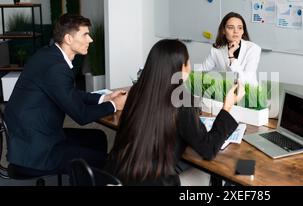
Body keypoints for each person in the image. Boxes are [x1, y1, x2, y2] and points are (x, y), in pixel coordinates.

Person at [105, 39, 245, 186]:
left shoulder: (136, 91)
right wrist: (227, 107)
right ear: (181, 68)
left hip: (117, 176)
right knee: (208, 173)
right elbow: (208, 148)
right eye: (188, 63)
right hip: (154, 183)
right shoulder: (180, 99)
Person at [3, 14, 127, 176]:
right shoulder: (56, 68)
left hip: (32, 136)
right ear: (68, 38)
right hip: (37, 151)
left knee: (97, 137)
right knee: (105, 161)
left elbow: (69, 93)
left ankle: (88, 179)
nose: (90, 40)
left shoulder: (49, 55)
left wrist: (105, 98)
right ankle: (93, 176)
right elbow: (81, 115)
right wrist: (114, 105)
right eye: (85, 34)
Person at [195, 12, 261, 85]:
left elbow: (246, 80)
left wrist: (231, 56)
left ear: (243, 31)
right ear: (223, 30)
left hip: (249, 92)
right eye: (230, 27)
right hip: (227, 92)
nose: (236, 31)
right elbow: (201, 70)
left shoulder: (253, 49)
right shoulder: (217, 49)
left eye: (240, 28)